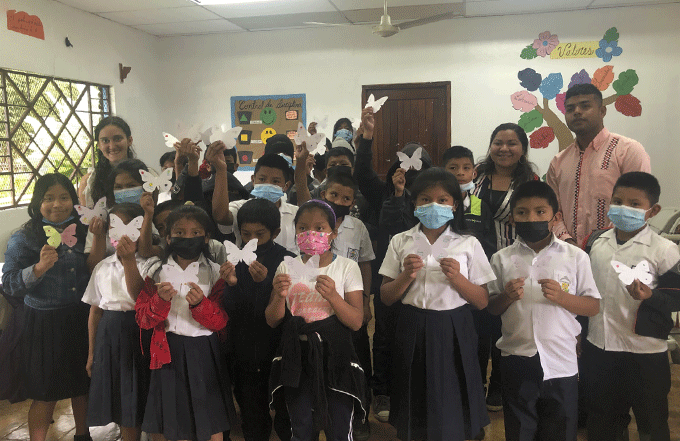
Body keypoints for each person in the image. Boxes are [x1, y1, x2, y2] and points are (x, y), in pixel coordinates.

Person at [379, 167, 494, 441]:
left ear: (454, 204)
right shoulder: (401, 241)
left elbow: (482, 300)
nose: (434, 205)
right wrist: (406, 275)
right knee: (414, 388)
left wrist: (458, 279)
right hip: (412, 324)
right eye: (425, 199)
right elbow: (386, 296)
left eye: (442, 200)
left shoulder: (468, 243)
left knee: (453, 390)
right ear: (414, 203)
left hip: (454, 325)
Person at [486, 180, 601, 441]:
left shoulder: (575, 257)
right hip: (517, 358)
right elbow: (491, 308)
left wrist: (562, 297)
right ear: (512, 219)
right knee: (519, 429)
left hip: (561, 361)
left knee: (560, 429)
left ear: (555, 217)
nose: (531, 218)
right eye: (522, 212)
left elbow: (593, 306)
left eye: (540, 212)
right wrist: (505, 297)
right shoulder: (501, 259)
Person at [582, 172, 680, 441]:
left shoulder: (664, 249)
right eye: (618, 201)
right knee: (603, 420)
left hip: (644, 353)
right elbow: (586, 291)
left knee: (651, 422)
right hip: (600, 347)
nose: (624, 208)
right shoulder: (596, 241)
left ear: (653, 211)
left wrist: (651, 296)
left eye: (634, 204)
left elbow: (676, 296)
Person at [3, 173, 101, 441]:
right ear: (38, 202)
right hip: (43, 323)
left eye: (64, 197)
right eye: (48, 198)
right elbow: (9, 283)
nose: (57, 204)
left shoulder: (83, 230)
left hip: (79, 317)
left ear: (73, 201)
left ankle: (83, 435)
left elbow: (94, 268)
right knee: (44, 392)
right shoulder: (24, 236)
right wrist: (38, 268)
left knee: (82, 385)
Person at [131, 204, 234, 441]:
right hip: (167, 351)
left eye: (195, 232)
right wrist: (160, 301)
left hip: (204, 351)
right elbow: (142, 318)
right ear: (168, 237)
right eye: (179, 232)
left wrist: (200, 305)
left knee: (210, 419)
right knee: (171, 419)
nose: (187, 238)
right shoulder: (156, 271)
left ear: (206, 237)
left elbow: (221, 322)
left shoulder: (216, 272)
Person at [266, 200, 366, 441]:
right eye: (303, 228)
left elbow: (356, 321)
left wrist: (333, 297)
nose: (310, 234)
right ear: (295, 232)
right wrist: (279, 296)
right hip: (297, 354)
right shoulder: (286, 266)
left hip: (336, 355)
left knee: (339, 422)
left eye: (319, 228)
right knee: (301, 424)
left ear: (333, 233)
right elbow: (272, 320)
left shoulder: (347, 267)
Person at [294, 156, 375, 440]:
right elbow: (302, 195)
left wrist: (363, 300)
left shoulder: (354, 237)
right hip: (305, 332)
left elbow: (365, 263)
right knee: (304, 411)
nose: (339, 201)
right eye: (334, 195)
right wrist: (301, 167)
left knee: (343, 403)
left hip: (343, 325)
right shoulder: (292, 258)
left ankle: (358, 416)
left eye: (346, 198)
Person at [472, 122, 538, 410]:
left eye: (512, 143)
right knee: (478, 325)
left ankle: (499, 386)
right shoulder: (476, 175)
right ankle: (476, 385)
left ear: (522, 149)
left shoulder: (530, 180)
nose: (504, 149)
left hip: (512, 258)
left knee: (506, 323)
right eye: (498, 142)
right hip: (476, 259)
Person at [219, 198, 294, 441]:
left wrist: (265, 284)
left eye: (259, 234)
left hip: (277, 347)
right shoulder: (234, 259)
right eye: (245, 234)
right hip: (243, 348)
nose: (252, 239)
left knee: (285, 410)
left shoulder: (287, 259)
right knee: (252, 412)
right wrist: (231, 284)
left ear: (276, 233)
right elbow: (231, 309)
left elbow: (286, 310)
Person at [546, 83, 651, 247]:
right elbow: (552, 211)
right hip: (569, 253)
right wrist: (568, 242)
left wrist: (601, 244)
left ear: (602, 111)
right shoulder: (558, 162)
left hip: (620, 250)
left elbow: (637, 206)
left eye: (585, 106)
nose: (577, 112)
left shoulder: (628, 151)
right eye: (570, 108)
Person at [82, 203, 150, 441]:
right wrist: (92, 353)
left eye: (129, 227)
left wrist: (129, 259)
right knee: (121, 400)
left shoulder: (150, 264)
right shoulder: (102, 267)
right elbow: (95, 311)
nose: (121, 234)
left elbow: (140, 297)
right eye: (114, 227)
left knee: (140, 396)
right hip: (109, 337)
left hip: (140, 333)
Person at [211, 146, 299, 254]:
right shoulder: (240, 208)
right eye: (262, 179)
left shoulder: (296, 213)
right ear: (253, 180)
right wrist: (220, 170)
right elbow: (220, 216)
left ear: (286, 186)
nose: (268, 184)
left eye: (275, 181)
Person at [78, 116, 135, 208]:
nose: (112, 146)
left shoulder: (145, 175)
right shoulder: (89, 182)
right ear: (99, 145)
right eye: (105, 141)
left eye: (117, 139)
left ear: (129, 140)